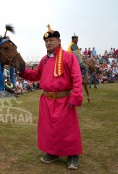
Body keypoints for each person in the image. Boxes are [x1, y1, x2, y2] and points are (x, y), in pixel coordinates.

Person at [20, 25, 83, 170]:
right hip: (47, 100)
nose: (48, 43)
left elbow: (77, 78)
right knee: (49, 130)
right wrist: (23, 72)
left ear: (59, 41)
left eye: (52, 40)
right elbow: (36, 75)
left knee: (68, 129)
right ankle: (53, 153)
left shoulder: (69, 57)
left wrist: (76, 96)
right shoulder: (44, 60)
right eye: (46, 41)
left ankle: (73, 155)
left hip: (64, 100)